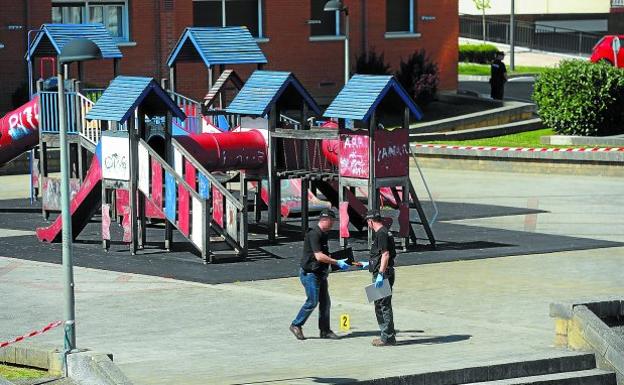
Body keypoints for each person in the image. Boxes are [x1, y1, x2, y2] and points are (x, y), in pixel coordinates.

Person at [289, 208, 350, 340]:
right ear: (325, 220)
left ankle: (325, 330)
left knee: (325, 302)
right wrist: (336, 262)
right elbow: (319, 256)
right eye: (332, 221)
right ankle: (296, 324)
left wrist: (336, 261)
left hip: (320, 273)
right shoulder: (314, 234)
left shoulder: (323, 234)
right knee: (312, 301)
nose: (333, 224)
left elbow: (323, 255)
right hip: (310, 274)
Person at [360, 209, 397, 346]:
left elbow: (386, 255)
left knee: (383, 305)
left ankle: (388, 337)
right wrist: (368, 264)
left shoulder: (381, 233)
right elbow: (379, 255)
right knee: (378, 304)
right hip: (380, 271)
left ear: (370, 221)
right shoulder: (384, 231)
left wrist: (380, 275)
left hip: (382, 274)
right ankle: (385, 335)